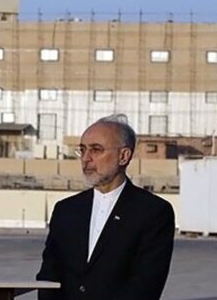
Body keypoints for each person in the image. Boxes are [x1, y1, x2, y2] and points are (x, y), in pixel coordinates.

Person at [37, 114, 175, 300]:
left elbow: (146, 284)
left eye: (96, 150)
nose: (86, 158)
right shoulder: (66, 211)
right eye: (82, 150)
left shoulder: (152, 212)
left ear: (124, 156)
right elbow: (49, 278)